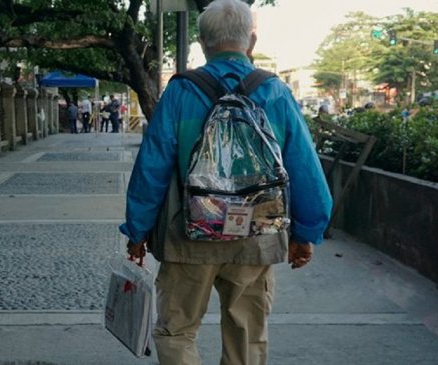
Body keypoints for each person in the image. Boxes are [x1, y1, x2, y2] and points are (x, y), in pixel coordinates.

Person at [119, 1, 333, 364]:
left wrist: (137, 230)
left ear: (202, 43)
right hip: (257, 233)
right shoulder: (275, 93)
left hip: (189, 233)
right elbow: (304, 167)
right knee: (247, 337)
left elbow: (152, 166)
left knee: (177, 330)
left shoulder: (181, 92)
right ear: (251, 40)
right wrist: (306, 233)